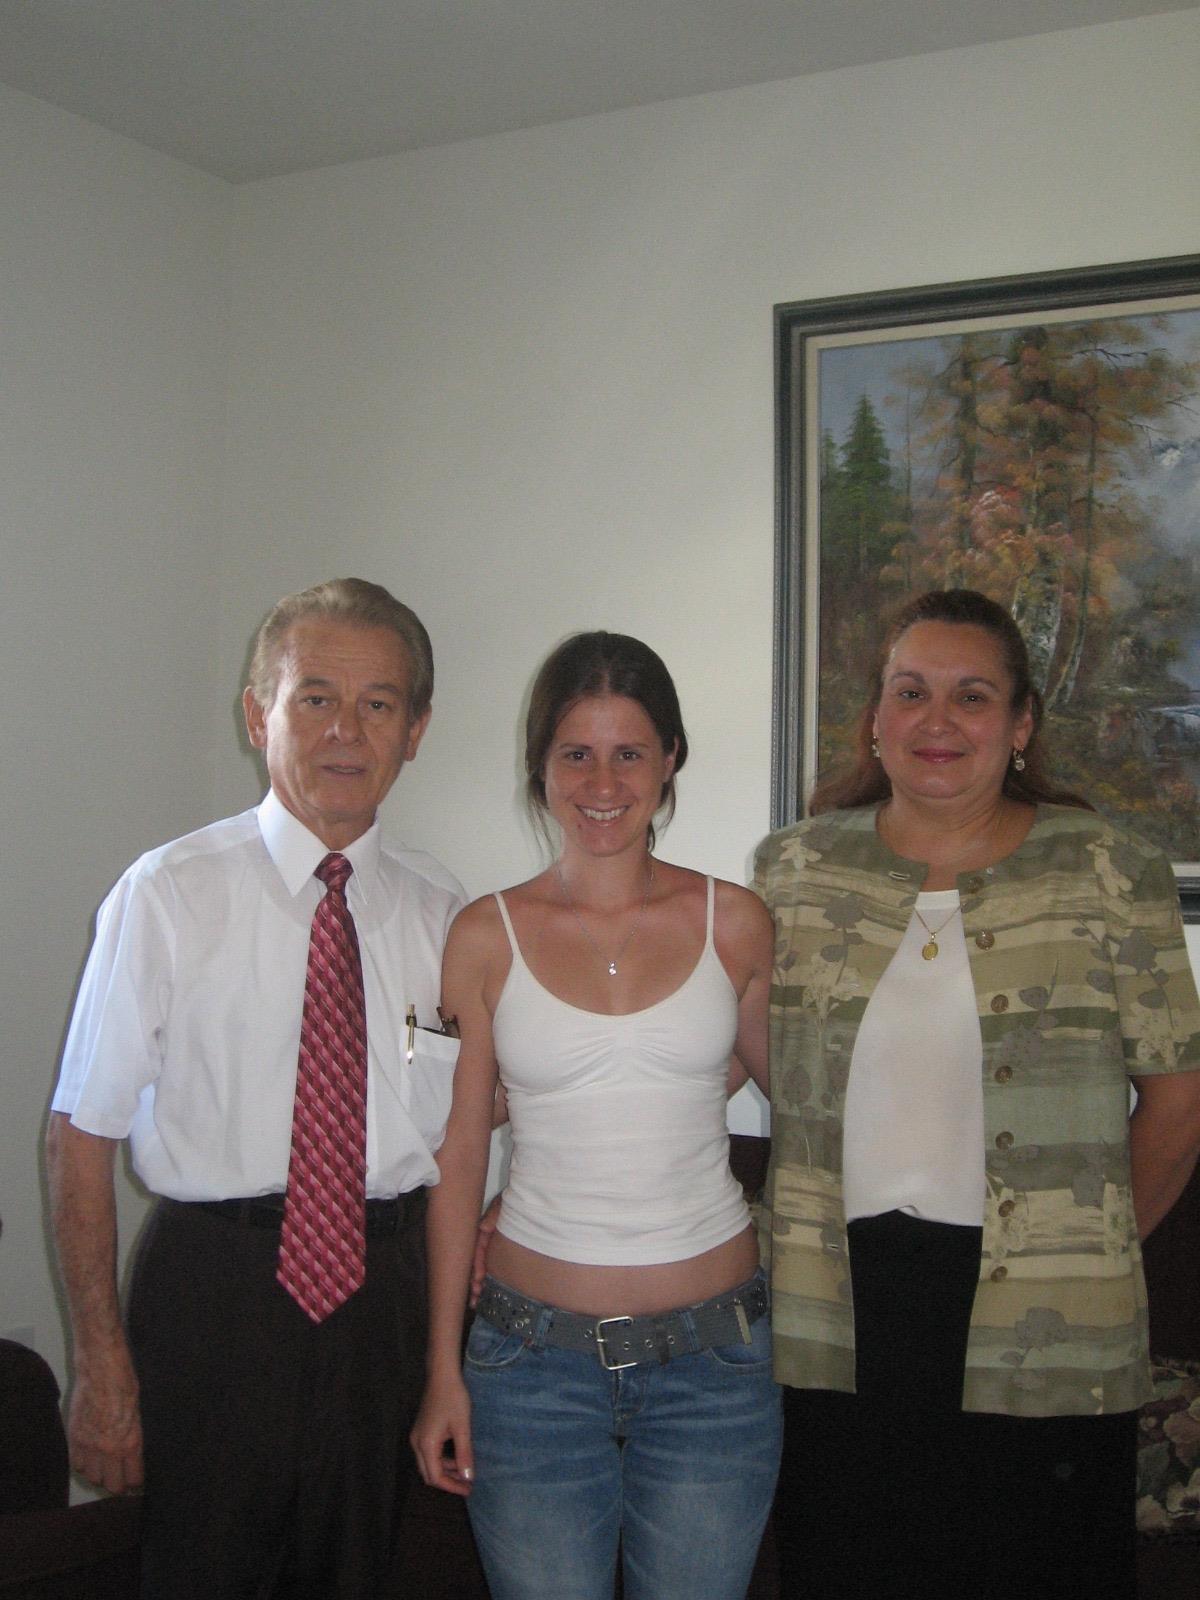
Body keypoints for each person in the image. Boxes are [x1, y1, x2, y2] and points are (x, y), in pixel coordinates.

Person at [756, 588, 1200, 1600]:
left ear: (1021, 723)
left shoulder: (1108, 869)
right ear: (876, 716)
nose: (937, 721)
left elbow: (1179, 1101)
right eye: (911, 692)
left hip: (1046, 1306)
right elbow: (758, 1059)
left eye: (971, 696)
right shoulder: (795, 871)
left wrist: (1089, 1248)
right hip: (846, 1309)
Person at [46, 577, 463, 1600]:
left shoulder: (446, 916)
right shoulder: (167, 893)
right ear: (256, 713)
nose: (344, 731)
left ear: (415, 730)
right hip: (215, 1298)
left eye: (378, 704)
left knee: (360, 1575)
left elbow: (470, 1138)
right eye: (314, 697)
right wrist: (101, 1365)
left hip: (386, 1302)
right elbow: (80, 1134)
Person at [411, 631, 782, 1600]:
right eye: (576, 751)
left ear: (669, 761)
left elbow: (806, 1104)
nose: (603, 780)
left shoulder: (736, 921)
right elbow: (456, 1161)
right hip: (532, 1370)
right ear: (540, 766)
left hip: (717, 1365)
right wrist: (442, 1368)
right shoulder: (484, 934)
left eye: (630, 752)